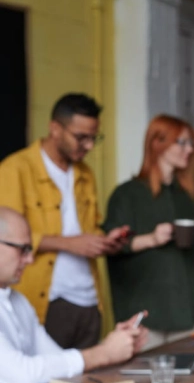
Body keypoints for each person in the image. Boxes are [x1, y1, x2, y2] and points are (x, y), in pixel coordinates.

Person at [0, 207, 174, 383]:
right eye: (22, 249)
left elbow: (59, 360)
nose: (30, 259)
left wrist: (114, 345)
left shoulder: (18, 302)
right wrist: (102, 353)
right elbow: (23, 376)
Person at [101, 115, 194, 383]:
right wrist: (150, 238)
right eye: (182, 142)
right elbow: (110, 245)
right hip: (146, 312)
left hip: (188, 309)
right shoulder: (127, 195)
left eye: (192, 143)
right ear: (157, 143)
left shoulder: (187, 194)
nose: (189, 150)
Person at [0, 93, 129, 349]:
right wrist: (69, 244)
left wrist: (104, 242)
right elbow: (7, 238)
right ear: (55, 129)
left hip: (89, 300)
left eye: (94, 138)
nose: (89, 146)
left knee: (90, 381)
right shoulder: (15, 169)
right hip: (47, 301)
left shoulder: (85, 174)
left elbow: (87, 229)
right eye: (81, 137)